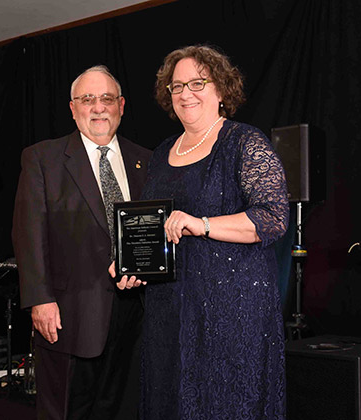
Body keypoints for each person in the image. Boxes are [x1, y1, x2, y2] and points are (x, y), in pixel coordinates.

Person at [114, 45, 290, 419]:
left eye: (198, 82)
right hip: (169, 310)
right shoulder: (162, 152)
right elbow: (153, 226)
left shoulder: (244, 142)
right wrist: (131, 262)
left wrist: (203, 224)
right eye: (177, 86)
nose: (186, 93)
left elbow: (273, 217)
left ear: (222, 90)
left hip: (232, 311)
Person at [13, 65, 151, 420]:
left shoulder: (147, 161)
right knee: (66, 411)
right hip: (68, 316)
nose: (98, 107)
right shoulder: (43, 159)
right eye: (87, 99)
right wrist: (39, 299)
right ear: (73, 108)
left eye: (106, 98)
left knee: (122, 408)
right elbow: (28, 233)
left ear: (121, 105)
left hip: (134, 314)